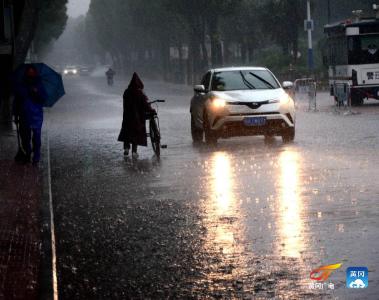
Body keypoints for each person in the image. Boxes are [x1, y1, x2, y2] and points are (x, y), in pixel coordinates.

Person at [13, 66, 46, 165]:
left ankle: (36, 157)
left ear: (35, 73)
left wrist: (37, 92)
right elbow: (16, 101)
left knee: (36, 137)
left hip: (36, 116)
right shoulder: (21, 85)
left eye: (32, 72)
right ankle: (28, 152)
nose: (31, 74)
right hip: (23, 115)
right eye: (29, 72)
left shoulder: (39, 85)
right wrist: (15, 114)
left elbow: (44, 98)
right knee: (25, 137)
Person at [118, 73, 155, 158]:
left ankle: (126, 148)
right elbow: (145, 105)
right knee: (135, 133)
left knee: (127, 133)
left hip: (127, 117)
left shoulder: (126, 92)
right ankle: (134, 152)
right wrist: (151, 110)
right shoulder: (139, 93)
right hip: (137, 118)